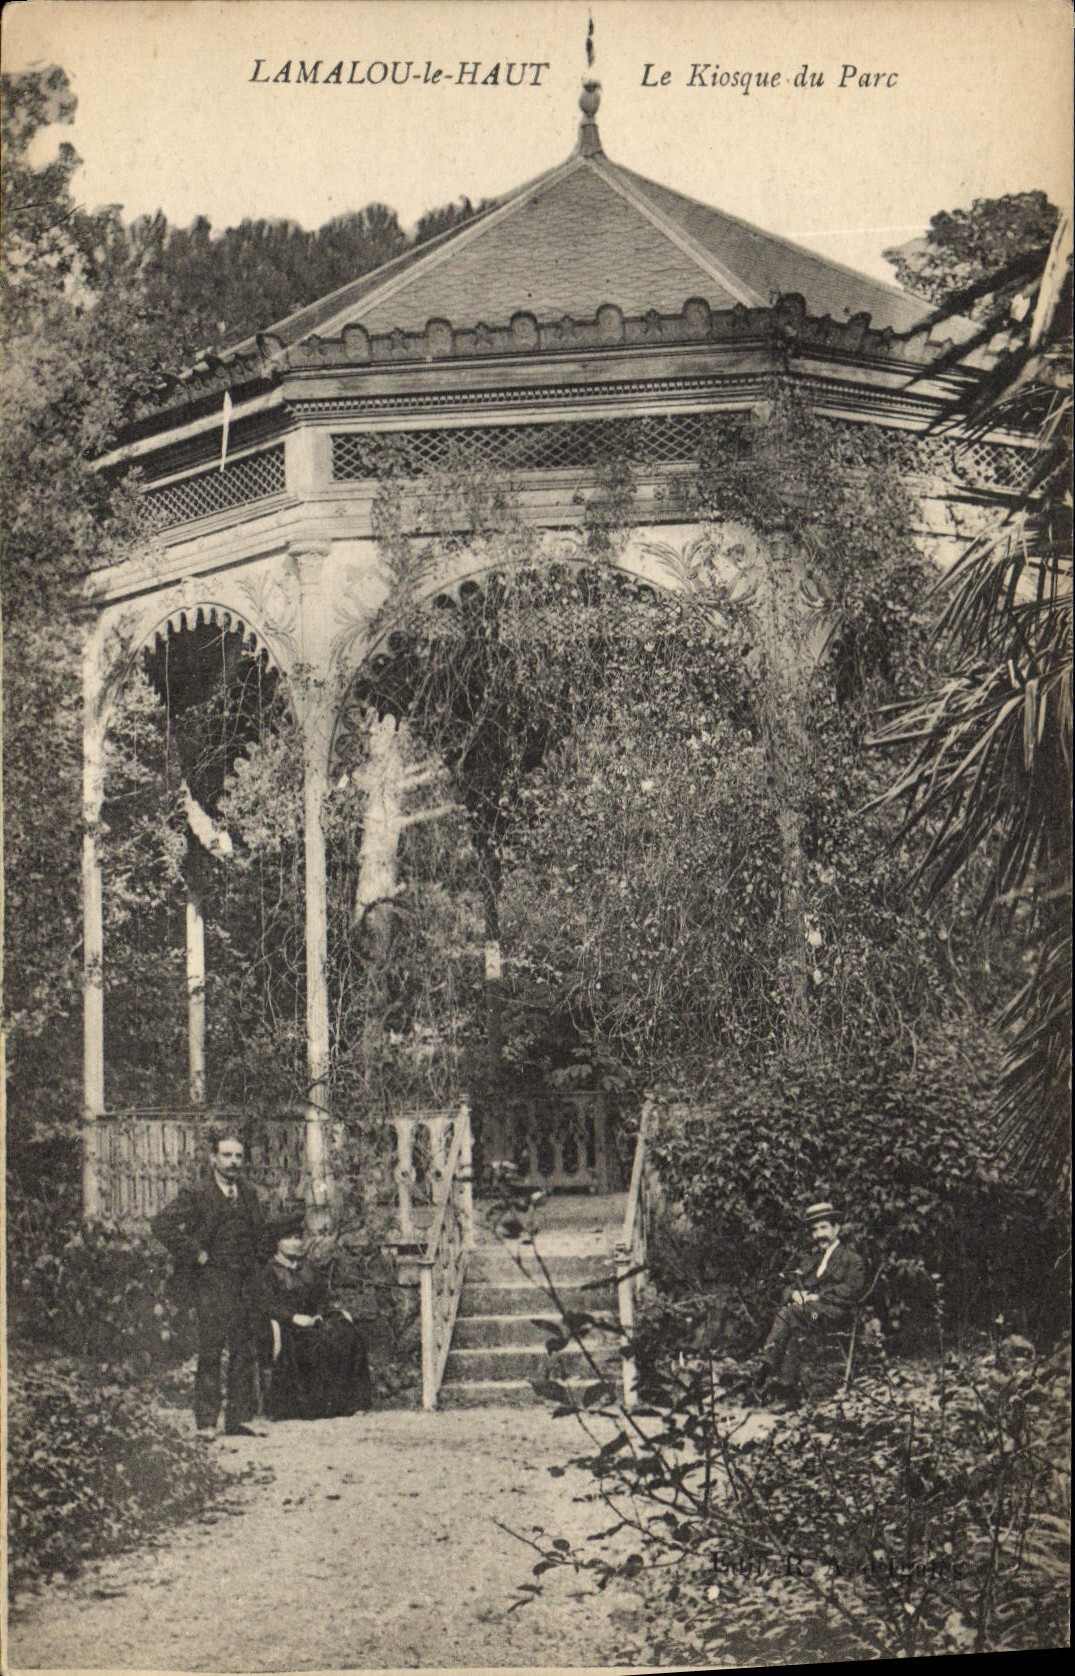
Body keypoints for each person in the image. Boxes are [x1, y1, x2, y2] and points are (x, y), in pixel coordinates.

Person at [151, 1129, 270, 1439]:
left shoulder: (248, 1193)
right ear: (214, 1158)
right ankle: (206, 1423)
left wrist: (256, 1261)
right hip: (212, 1282)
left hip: (244, 1280)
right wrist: (195, 1253)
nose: (233, 1162)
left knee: (244, 1350)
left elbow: (259, 1232)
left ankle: (238, 1420)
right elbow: (161, 1224)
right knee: (211, 1350)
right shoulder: (198, 1193)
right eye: (227, 1155)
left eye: (238, 1156)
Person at [746, 1201, 866, 1403]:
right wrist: (794, 1294)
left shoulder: (852, 1260)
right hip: (809, 1314)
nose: (819, 1234)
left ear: (836, 1228)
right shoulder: (810, 1260)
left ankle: (763, 1366)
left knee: (790, 1314)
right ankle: (786, 1390)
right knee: (792, 1320)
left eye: (823, 1227)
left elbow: (852, 1291)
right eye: (814, 1230)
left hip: (834, 1315)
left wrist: (818, 1297)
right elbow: (789, 1283)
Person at [259, 1208, 373, 1420]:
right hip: (288, 1326)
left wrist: (320, 1315)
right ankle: (313, 1407)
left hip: (313, 1321)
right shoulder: (270, 1271)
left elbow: (322, 1297)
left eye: (297, 1238)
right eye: (288, 1239)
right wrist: (293, 1318)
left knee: (348, 1334)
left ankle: (350, 1403)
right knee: (312, 1345)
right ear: (277, 1242)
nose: (294, 1243)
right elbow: (266, 1304)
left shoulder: (307, 1267)